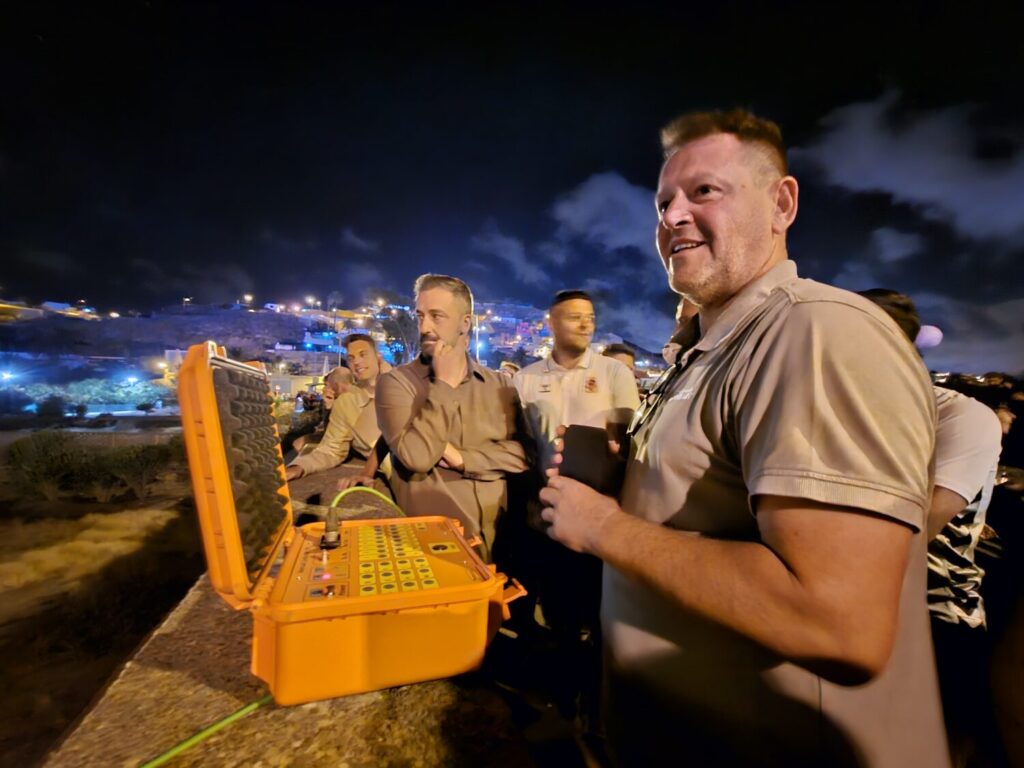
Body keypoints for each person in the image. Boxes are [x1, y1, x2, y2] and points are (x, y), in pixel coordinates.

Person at [539, 108, 946, 767]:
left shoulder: (815, 334)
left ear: (782, 203)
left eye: (705, 192)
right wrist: (629, 482)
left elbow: (836, 621)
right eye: (664, 202)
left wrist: (606, 528)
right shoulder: (715, 349)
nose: (672, 217)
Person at [859, 288, 1004, 766]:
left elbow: (914, 527)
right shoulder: (844, 416)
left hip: (937, 615)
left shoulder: (960, 415)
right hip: (854, 612)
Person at [512, 289, 641, 720]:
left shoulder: (611, 374)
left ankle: (602, 701)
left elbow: (630, 439)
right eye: (574, 317)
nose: (586, 325)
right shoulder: (526, 378)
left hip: (597, 511)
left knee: (599, 609)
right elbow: (521, 443)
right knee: (559, 607)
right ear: (551, 322)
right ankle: (566, 697)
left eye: (590, 317)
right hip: (544, 510)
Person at [375, 274, 530, 561]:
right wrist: (443, 386)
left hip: (501, 543)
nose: (425, 327)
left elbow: (523, 456)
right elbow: (417, 457)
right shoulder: (396, 385)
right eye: (420, 316)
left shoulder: (501, 385)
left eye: (437, 316)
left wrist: (463, 459)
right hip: (433, 550)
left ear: (465, 323)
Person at [285, 335, 385, 481]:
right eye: (351, 358)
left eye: (363, 354)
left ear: (378, 357)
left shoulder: (405, 385)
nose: (356, 361)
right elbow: (331, 450)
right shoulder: (347, 403)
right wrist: (299, 468)